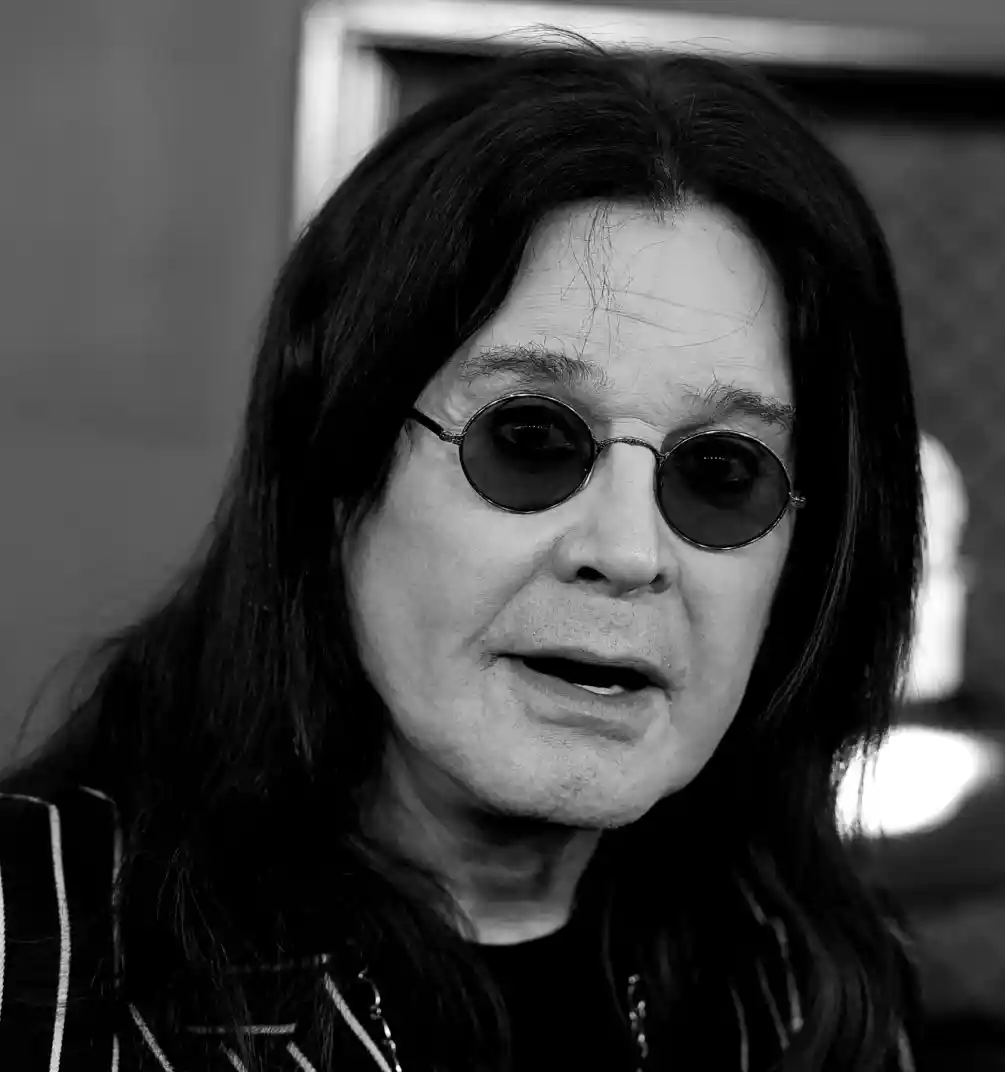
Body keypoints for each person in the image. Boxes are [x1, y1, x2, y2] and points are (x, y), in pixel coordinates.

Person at [0, 35, 924, 1072]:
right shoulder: (27, 950)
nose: (627, 551)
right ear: (337, 471)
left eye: (720, 473)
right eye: (529, 439)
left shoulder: (811, 986)